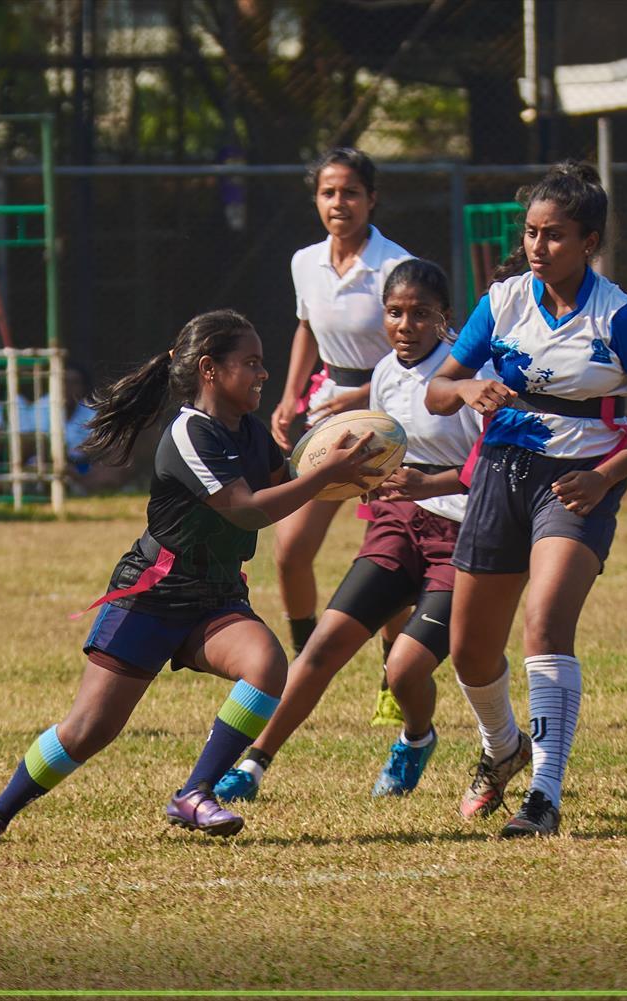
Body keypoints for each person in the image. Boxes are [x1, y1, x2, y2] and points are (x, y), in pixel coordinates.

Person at [0, 310, 378, 847]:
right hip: (153, 596)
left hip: (216, 595)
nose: (262, 374)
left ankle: (195, 792)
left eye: (262, 364)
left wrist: (353, 473)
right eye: (250, 363)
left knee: (267, 665)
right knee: (90, 731)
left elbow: (283, 485)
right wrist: (323, 476)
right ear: (209, 369)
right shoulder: (187, 435)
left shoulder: (249, 430)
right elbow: (245, 510)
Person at [426, 162, 627, 837]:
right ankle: (501, 747)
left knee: (544, 622)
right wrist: (465, 390)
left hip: (577, 481)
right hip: (501, 473)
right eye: (533, 233)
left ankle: (544, 793)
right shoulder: (506, 299)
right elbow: (438, 388)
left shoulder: (620, 316)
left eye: (556, 236)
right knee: (469, 652)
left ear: (589, 241)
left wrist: (606, 475)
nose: (539, 247)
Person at [215, 259, 486, 803]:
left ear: (445, 318)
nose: (405, 325)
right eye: (394, 312)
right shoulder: (384, 373)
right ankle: (252, 766)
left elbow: (491, 462)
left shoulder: (468, 378)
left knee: (406, 671)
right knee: (321, 648)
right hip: (395, 528)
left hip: (459, 538)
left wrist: (430, 484)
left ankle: (415, 739)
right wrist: (363, 479)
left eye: (419, 314)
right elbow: (385, 451)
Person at [269, 147, 414, 724]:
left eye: (350, 192)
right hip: (327, 416)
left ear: (371, 198)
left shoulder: (395, 266)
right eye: (329, 192)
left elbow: (422, 349)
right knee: (289, 549)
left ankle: (390, 680)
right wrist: (289, 394)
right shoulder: (306, 261)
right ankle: (305, 660)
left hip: (387, 419)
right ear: (316, 199)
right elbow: (306, 326)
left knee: (392, 559)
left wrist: (363, 398)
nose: (339, 203)